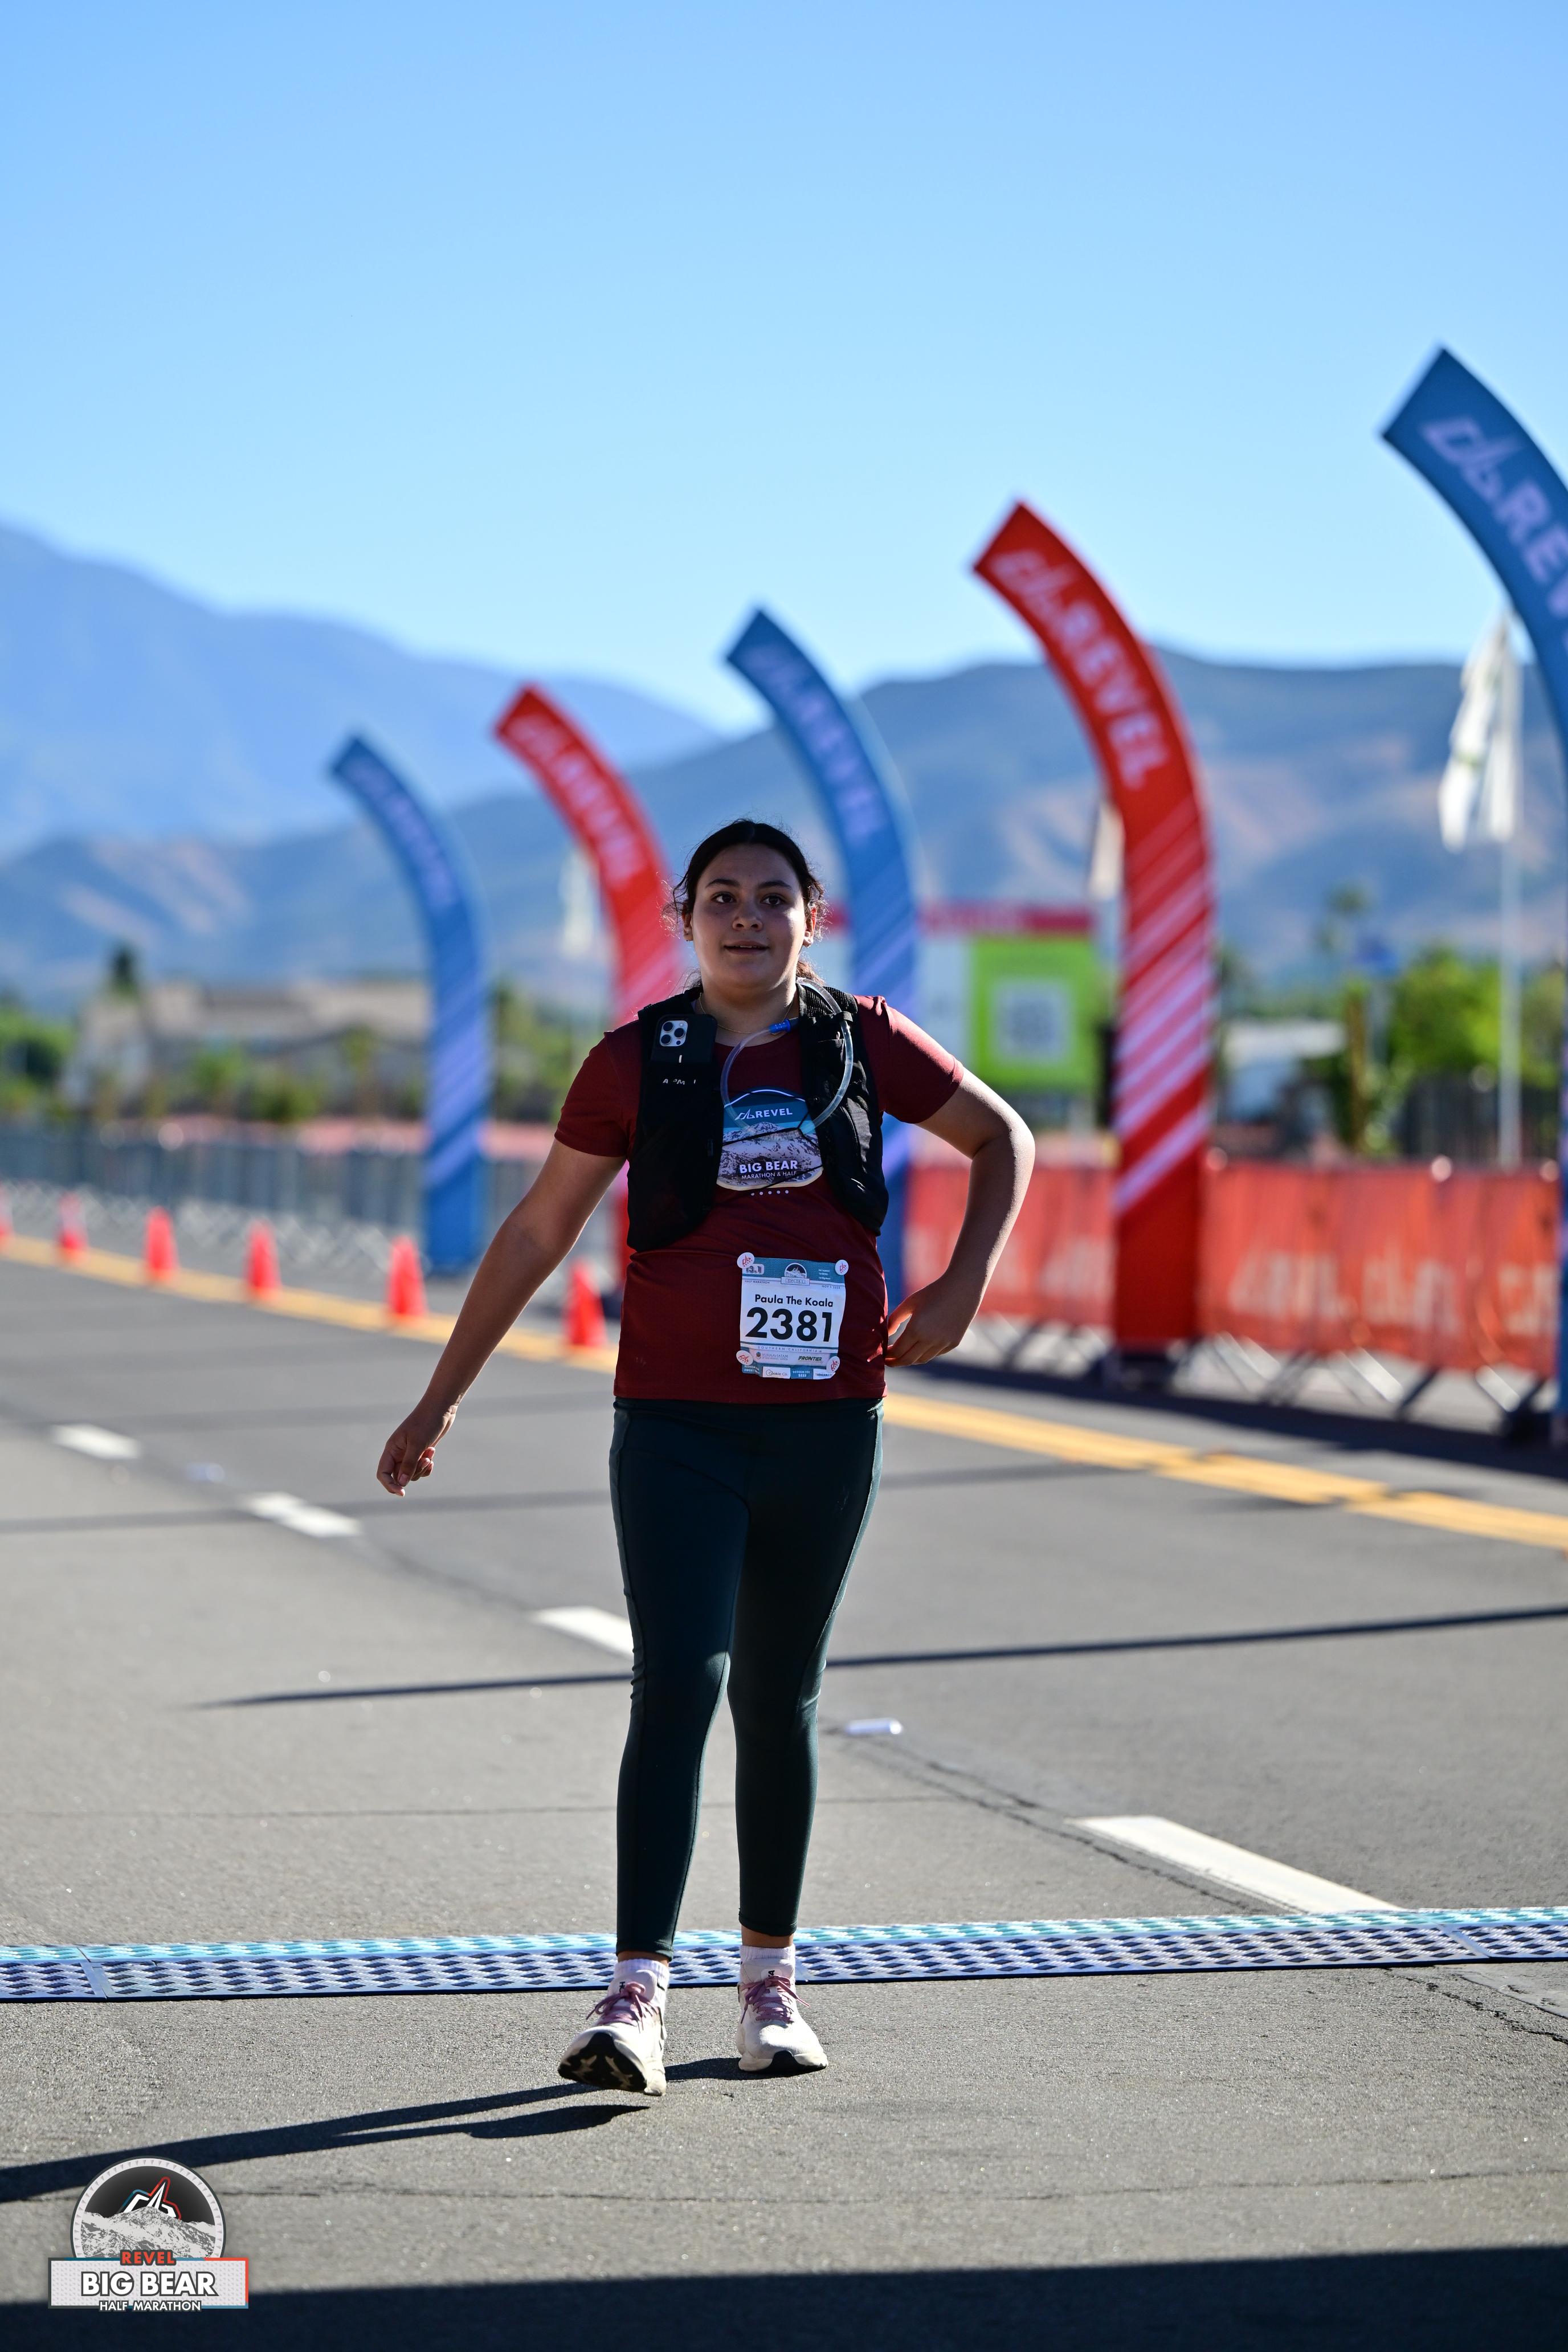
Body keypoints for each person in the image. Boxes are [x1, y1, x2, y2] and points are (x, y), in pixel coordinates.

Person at [376, 819, 1033, 2096]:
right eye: (721, 897)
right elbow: (537, 1231)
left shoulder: (864, 1041)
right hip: (676, 1423)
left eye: (772, 897)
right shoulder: (634, 1061)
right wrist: (439, 1399)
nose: (746, 917)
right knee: (678, 1682)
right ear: (684, 918)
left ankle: (769, 1990)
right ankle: (635, 1996)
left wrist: (962, 1287)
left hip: (826, 1423)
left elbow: (1003, 1138)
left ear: (811, 918)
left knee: (777, 1699)